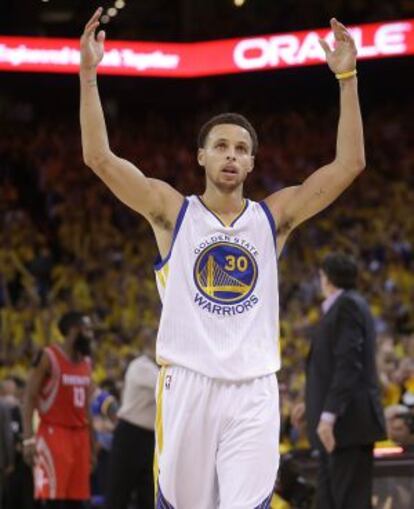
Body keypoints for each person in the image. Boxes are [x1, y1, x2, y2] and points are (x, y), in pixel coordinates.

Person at [80, 9, 365, 508]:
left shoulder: (273, 217)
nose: (231, 155)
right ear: (202, 157)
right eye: (221, 146)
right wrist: (88, 76)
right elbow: (99, 159)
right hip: (187, 385)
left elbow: (349, 165)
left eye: (241, 148)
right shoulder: (172, 213)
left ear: (252, 162)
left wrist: (347, 78)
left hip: (253, 390)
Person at [296, 253, 386, 509]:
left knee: (349, 501)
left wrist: (328, 416)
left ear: (327, 278)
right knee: (328, 501)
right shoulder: (344, 306)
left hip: (345, 425)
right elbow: (332, 366)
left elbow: (349, 364)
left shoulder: (347, 306)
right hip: (337, 426)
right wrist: (311, 404)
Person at [22, 312, 95, 509]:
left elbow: (87, 408)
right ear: (73, 330)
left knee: (77, 502)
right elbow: (29, 396)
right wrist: (28, 438)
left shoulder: (87, 363)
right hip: (54, 433)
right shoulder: (49, 356)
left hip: (80, 436)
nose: (91, 335)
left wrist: (92, 443)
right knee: (53, 500)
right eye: (87, 330)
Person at [104, 330, 158, 509]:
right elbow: (167, 387)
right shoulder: (141, 366)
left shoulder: (159, 368)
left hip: (151, 439)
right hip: (130, 435)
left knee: (149, 496)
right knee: (118, 494)